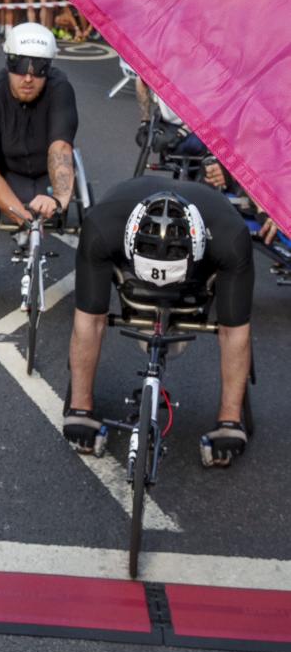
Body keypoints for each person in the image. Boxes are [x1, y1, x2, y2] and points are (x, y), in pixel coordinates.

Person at [65, 180, 255, 464]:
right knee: (92, 311)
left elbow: (234, 332)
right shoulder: (102, 228)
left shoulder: (231, 237)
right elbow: (89, 321)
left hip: (197, 270)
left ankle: (229, 414)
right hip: (131, 259)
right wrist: (79, 411)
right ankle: (82, 403)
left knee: (233, 320)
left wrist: (230, 423)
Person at [0, 22, 77, 227]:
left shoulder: (60, 89)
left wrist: (58, 200)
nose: (28, 78)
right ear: (8, 63)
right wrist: (24, 219)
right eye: (19, 67)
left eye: (39, 69)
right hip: (10, 173)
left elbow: (61, 148)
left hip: (48, 173)